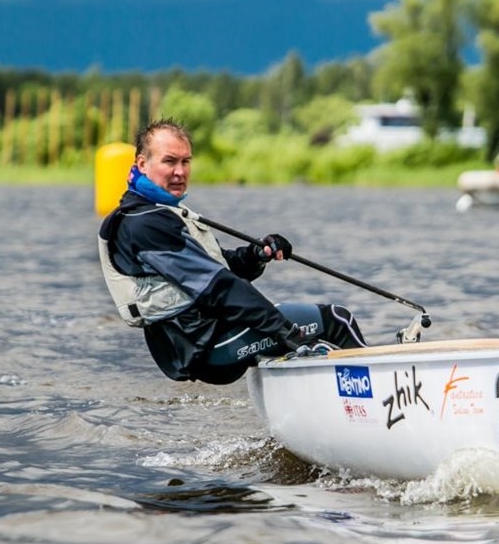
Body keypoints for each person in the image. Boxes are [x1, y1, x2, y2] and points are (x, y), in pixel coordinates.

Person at [98, 118, 367, 385]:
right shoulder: (144, 223)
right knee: (336, 320)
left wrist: (256, 254)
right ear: (142, 164)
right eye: (169, 161)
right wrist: (285, 330)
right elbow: (218, 286)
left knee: (309, 342)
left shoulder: (159, 212)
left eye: (186, 161)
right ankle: (375, 392)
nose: (180, 171)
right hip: (207, 346)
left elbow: (219, 267)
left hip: (211, 337)